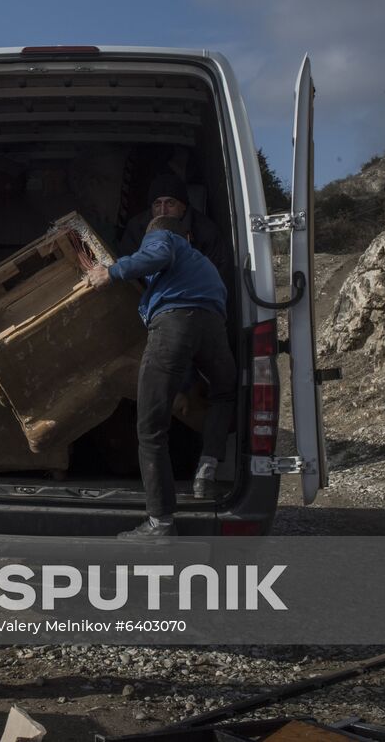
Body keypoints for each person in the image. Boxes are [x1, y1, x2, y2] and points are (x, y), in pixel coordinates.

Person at [86, 215, 236, 538]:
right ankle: (208, 468)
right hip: (213, 329)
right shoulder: (205, 266)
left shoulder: (164, 237)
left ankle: (160, 523)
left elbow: (157, 255)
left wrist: (110, 272)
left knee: (151, 428)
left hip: (174, 323)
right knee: (224, 392)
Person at [118, 171, 231, 276]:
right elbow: (126, 267)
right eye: (157, 204)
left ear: (184, 206)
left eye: (170, 203)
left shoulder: (206, 232)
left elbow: (216, 276)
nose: (163, 211)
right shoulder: (136, 227)